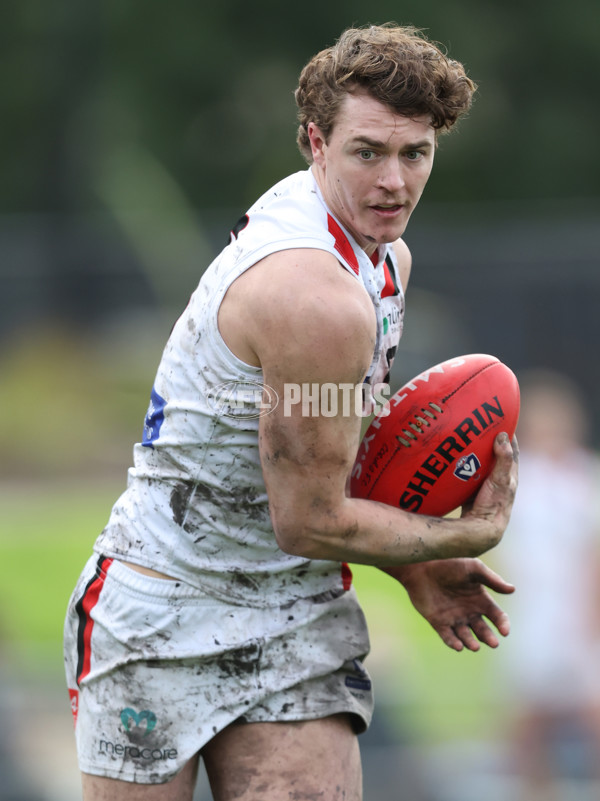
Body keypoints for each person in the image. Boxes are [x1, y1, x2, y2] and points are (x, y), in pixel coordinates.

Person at [64, 24, 518, 801]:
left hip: (293, 606)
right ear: (316, 140)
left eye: (415, 154)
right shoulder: (314, 294)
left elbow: (338, 443)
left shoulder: (381, 257)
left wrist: (419, 568)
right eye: (368, 151)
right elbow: (307, 518)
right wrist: (459, 534)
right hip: (162, 603)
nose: (394, 182)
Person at [496, 371, 600, 800]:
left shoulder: (585, 479)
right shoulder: (517, 479)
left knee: (590, 713)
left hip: (577, 614)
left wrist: (590, 613)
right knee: (528, 722)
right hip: (531, 613)